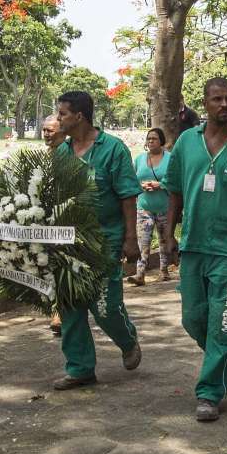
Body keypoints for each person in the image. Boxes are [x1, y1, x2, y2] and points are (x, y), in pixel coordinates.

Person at [161, 77, 227, 422]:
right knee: (192, 317)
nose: (224, 104)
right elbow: (175, 192)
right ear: (205, 103)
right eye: (217, 99)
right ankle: (226, 350)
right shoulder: (185, 142)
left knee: (222, 321)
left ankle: (209, 393)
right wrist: (168, 235)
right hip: (193, 244)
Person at [51, 91, 143, 390]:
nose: (58, 119)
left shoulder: (113, 149)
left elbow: (128, 195)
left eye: (62, 113)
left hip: (106, 241)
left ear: (79, 117)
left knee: (104, 306)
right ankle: (80, 368)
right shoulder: (62, 152)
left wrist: (132, 239)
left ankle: (126, 338)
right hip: (68, 243)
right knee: (70, 305)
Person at [128, 128, 171, 286]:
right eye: (149, 138)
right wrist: (141, 186)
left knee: (164, 240)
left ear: (161, 141)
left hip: (164, 207)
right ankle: (140, 274)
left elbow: (175, 180)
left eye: (154, 138)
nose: (151, 141)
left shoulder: (170, 159)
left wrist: (160, 184)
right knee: (143, 241)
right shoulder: (139, 159)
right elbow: (132, 180)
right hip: (144, 207)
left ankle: (164, 270)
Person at [41, 116, 66, 336]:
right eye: (44, 131)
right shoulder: (43, 156)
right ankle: (56, 310)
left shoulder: (71, 155)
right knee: (49, 267)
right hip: (46, 221)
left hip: (68, 221)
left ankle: (59, 311)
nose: (47, 134)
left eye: (51, 130)